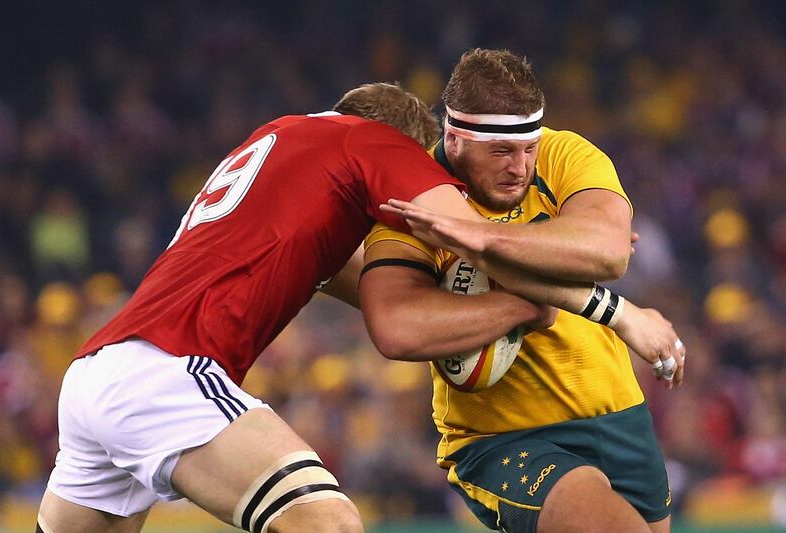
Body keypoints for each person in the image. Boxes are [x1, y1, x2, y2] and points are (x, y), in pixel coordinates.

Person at [36, 83, 487, 533]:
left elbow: (383, 292)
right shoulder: (373, 140)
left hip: (100, 370)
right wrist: (540, 302)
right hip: (169, 372)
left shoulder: (279, 148)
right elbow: (480, 240)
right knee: (328, 523)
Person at [358, 49, 686, 533]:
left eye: (527, 148)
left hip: (618, 414)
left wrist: (482, 239)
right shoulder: (412, 202)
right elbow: (396, 328)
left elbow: (609, 252)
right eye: (501, 152)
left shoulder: (565, 153)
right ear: (454, 137)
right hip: (501, 436)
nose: (521, 167)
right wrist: (524, 301)